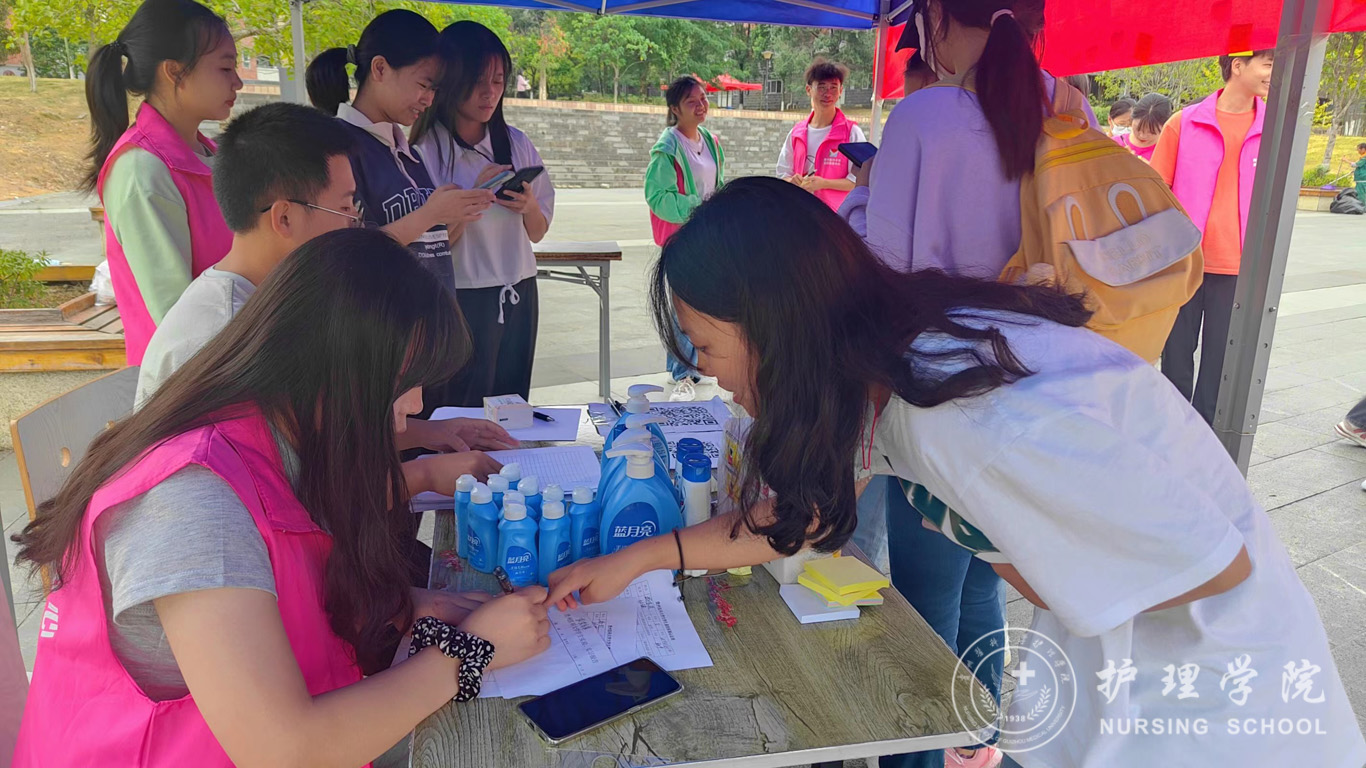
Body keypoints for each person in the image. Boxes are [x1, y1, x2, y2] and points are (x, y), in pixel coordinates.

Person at [548, 177, 1366, 768]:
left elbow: (1213, 564)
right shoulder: (888, 366)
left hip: (1221, 715)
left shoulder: (965, 418)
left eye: (706, 346)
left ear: (778, 327)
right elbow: (799, 520)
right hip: (1125, 688)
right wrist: (637, 558)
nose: (704, 371)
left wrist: (1034, 565)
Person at [13, 228, 553, 767]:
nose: (414, 404)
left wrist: (399, 605)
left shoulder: (275, 435)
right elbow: (284, 750)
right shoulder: (193, 502)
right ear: (335, 369)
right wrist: (467, 655)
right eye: (405, 381)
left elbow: (286, 559)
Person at [838, 3, 1099, 765]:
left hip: (940, 396)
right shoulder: (1069, 107)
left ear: (939, 17)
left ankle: (922, 755)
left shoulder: (926, 117)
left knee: (923, 603)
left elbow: (877, 265)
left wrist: (866, 189)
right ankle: (977, 742)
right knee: (984, 577)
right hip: (1037, 394)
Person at [136, 102, 513, 477]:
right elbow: (289, 489)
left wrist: (431, 433)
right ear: (285, 218)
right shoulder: (226, 336)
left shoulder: (287, 299)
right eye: (346, 209)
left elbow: (315, 437)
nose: (354, 225)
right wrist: (424, 476)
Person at [85, 0, 240, 366]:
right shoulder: (142, 171)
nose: (238, 81)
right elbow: (179, 320)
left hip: (237, 365)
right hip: (192, 383)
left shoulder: (210, 152)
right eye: (225, 67)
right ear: (175, 72)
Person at [307, 10, 494, 308]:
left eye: (434, 89)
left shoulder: (408, 154)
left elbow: (428, 247)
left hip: (429, 321)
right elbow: (347, 256)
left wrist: (455, 213)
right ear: (380, 68)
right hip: (381, 326)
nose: (429, 99)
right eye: (423, 85)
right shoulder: (337, 149)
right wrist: (430, 214)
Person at [412, 21, 555, 407]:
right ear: (449, 80)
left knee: (513, 405)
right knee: (461, 407)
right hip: (462, 296)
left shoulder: (517, 143)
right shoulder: (426, 149)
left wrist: (528, 205)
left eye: (497, 80)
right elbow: (430, 247)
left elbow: (538, 231)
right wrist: (472, 198)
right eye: (477, 81)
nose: (489, 92)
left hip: (520, 290)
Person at [1150, 50, 1274, 425]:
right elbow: (1155, 191)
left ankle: (1204, 435)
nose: (1274, 73)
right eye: (1268, 64)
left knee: (1221, 362)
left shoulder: (1275, 129)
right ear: (1238, 65)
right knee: (1175, 357)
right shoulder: (1184, 123)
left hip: (1239, 266)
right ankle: (1171, 431)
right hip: (1184, 263)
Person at [645, 76, 725, 402]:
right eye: (691, 101)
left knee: (702, 301)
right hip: (681, 238)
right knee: (683, 305)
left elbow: (717, 184)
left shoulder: (711, 141)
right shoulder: (666, 149)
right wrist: (698, 205)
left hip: (706, 236)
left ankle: (699, 363)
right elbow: (657, 197)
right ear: (675, 109)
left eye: (703, 98)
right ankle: (682, 370)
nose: (701, 105)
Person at [774, 59, 866, 211]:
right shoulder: (796, 133)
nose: (828, 94)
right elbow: (783, 173)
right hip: (799, 212)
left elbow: (858, 180)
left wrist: (824, 183)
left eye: (833, 87)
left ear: (841, 91)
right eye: (822, 87)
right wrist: (792, 181)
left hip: (835, 216)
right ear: (808, 89)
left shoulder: (851, 133)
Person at [1115, 92, 1171, 162]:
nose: (1142, 135)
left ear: (1164, 127)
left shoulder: (1167, 153)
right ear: (1132, 119)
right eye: (1138, 128)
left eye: (1151, 132)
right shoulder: (1115, 143)